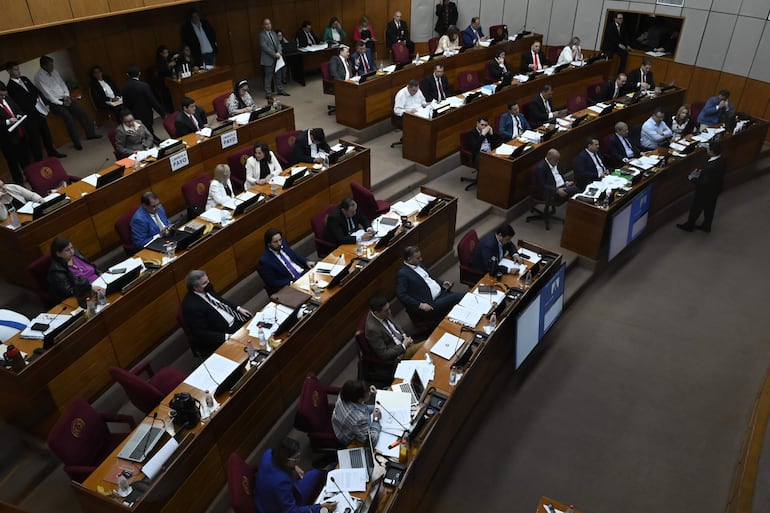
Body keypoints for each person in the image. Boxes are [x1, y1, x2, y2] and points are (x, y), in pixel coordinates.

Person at [34, 55, 101, 150]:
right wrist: (62, 103)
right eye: (50, 65)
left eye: (52, 64)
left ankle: (91, 134)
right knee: (68, 118)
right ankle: (77, 143)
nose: (52, 67)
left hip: (65, 98)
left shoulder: (54, 71)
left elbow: (62, 84)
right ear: (44, 66)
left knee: (81, 111)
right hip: (54, 103)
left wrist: (67, 96)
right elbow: (48, 94)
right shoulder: (39, 77)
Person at [253, 437, 335, 513]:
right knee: (315, 474)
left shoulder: (269, 454)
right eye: (296, 458)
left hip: (262, 499)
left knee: (314, 474)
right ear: (286, 460)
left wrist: (294, 466)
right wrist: (319, 508)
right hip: (275, 508)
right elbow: (291, 511)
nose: (299, 460)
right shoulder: (281, 483)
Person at [4, 61, 66, 160]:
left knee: (46, 133)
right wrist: (34, 110)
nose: (18, 71)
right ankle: (39, 158)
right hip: (29, 116)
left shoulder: (24, 79)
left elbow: (37, 91)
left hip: (40, 111)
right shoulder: (10, 87)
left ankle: (51, 151)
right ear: (9, 71)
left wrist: (44, 104)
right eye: (15, 70)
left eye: (18, 69)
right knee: (35, 138)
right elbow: (20, 104)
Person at [181, 269, 252, 354]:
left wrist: (238, 308)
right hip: (223, 332)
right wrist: (227, 336)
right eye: (204, 283)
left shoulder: (206, 288)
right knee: (249, 348)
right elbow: (202, 333)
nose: (208, 284)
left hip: (236, 320)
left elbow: (220, 300)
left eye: (207, 280)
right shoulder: (191, 306)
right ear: (195, 288)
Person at [396, 245, 462, 326]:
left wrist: (442, 283)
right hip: (431, 303)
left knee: (458, 304)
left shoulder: (418, 264)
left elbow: (429, 278)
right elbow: (401, 295)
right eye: (418, 258)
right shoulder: (403, 274)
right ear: (409, 259)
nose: (421, 259)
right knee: (459, 297)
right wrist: (419, 305)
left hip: (442, 292)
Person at [676, 140, 726, 233]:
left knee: (696, 208)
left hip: (704, 192)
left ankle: (689, 226)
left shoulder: (710, 167)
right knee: (709, 208)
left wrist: (692, 178)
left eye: (708, 149)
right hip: (716, 189)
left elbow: (703, 182)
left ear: (712, 151)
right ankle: (706, 226)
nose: (707, 150)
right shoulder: (722, 158)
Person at [365, 296, 421, 362]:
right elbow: (384, 354)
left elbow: (395, 325)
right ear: (376, 313)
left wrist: (404, 335)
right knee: (426, 346)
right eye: (386, 310)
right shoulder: (372, 329)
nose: (389, 311)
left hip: (405, 342)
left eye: (389, 308)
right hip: (398, 354)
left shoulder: (384, 312)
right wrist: (403, 346)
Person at [47, 236, 101, 302]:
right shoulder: (57, 271)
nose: (72, 251)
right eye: (67, 250)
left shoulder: (76, 254)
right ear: (58, 254)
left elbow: (93, 267)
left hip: (100, 283)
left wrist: (101, 274)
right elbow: (70, 291)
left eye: (72, 248)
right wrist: (91, 288)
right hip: (87, 295)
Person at [331, 380, 382, 446]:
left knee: (378, 408)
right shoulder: (359, 419)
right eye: (368, 392)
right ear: (359, 399)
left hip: (338, 422)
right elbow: (371, 441)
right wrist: (376, 419)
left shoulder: (344, 394)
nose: (369, 392)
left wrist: (371, 392)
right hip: (347, 437)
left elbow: (363, 406)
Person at [121, 65, 166, 138]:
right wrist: (162, 113)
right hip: (146, 113)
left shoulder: (124, 87)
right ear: (139, 73)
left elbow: (125, 104)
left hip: (133, 115)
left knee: (140, 131)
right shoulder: (144, 86)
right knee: (149, 130)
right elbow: (152, 100)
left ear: (127, 75)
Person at [0, 82, 32, 185]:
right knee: (13, 162)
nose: (3, 97)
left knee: (26, 158)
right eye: (1, 95)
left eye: (4, 94)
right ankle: (19, 182)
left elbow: (18, 109)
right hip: (7, 139)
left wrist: (19, 115)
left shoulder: (7, 98)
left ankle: (31, 177)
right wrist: (8, 121)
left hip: (20, 133)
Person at [260, 18, 290, 100]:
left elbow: (278, 44)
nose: (268, 25)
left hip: (277, 58)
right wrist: (274, 54)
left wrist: (279, 52)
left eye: (269, 23)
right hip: (268, 59)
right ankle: (268, 94)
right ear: (263, 25)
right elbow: (264, 47)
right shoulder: (262, 35)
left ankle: (280, 90)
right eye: (266, 24)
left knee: (278, 75)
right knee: (268, 77)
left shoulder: (273, 33)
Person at [155, 45, 176, 111]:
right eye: (165, 53)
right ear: (161, 53)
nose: (167, 54)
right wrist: (169, 65)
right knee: (167, 95)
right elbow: (163, 70)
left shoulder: (169, 58)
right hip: (163, 81)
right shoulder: (159, 61)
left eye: (167, 52)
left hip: (171, 79)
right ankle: (169, 109)